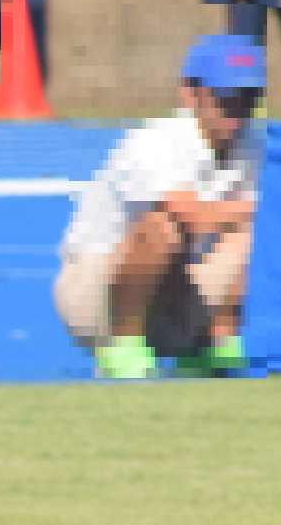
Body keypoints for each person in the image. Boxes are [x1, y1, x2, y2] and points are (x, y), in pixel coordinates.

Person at [53, 33, 264, 380]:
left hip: (180, 291)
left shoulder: (255, 144)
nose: (237, 110)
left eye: (248, 98)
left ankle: (214, 346)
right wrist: (255, 208)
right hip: (95, 296)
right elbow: (193, 218)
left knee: (254, 231)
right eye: (225, 97)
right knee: (165, 225)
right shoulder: (155, 141)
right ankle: (124, 344)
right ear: (190, 93)